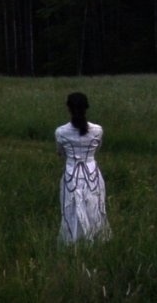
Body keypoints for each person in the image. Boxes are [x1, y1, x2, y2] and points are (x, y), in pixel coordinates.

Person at [55, 92, 110, 244]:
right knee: (94, 206)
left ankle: (73, 241)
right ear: (86, 108)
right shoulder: (98, 130)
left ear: (68, 108)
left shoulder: (60, 132)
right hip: (92, 173)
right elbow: (97, 149)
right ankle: (95, 239)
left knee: (71, 207)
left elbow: (60, 152)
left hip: (71, 173)